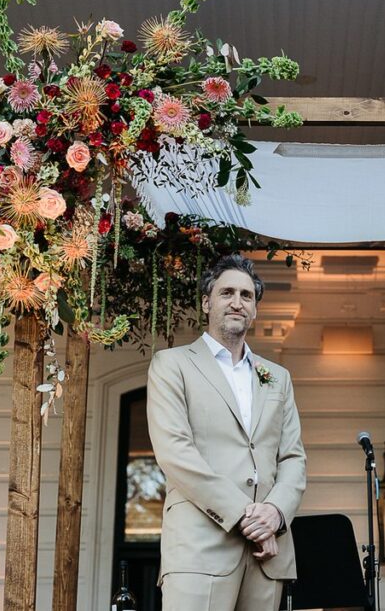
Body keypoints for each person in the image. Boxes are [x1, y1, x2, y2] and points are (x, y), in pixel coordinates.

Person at [147, 254, 307, 611]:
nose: (237, 302)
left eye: (247, 296)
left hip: (267, 555)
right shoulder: (172, 365)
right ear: (207, 302)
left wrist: (276, 514)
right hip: (201, 550)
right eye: (227, 293)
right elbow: (175, 452)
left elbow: (293, 457)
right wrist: (248, 516)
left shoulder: (277, 377)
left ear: (255, 309)